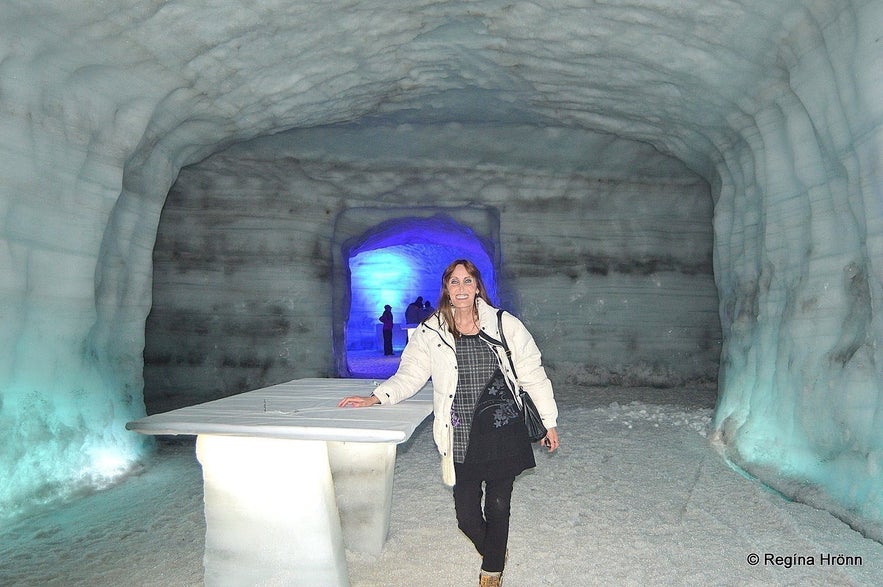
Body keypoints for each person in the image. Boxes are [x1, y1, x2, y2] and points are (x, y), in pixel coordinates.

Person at [340, 259, 559, 587]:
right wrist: (378, 396)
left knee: (499, 502)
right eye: (454, 282)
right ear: (446, 287)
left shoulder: (503, 323)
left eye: (467, 281)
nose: (461, 288)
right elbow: (411, 373)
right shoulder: (432, 329)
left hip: (504, 425)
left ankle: (492, 571)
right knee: (467, 515)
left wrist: (548, 421)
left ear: (477, 286)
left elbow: (532, 371)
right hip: (460, 431)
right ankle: (493, 551)